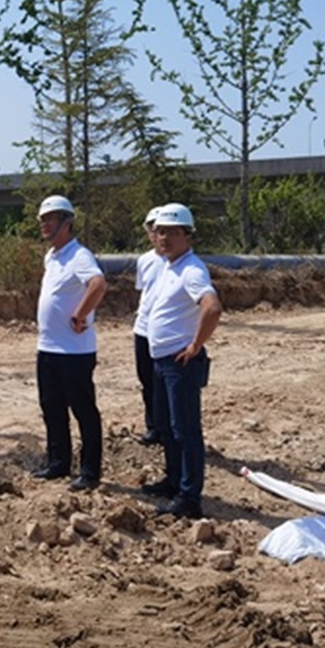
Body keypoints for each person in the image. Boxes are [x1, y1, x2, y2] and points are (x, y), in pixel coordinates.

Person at [140, 202, 223, 519]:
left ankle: (189, 497)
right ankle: (174, 481)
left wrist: (195, 346)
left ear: (187, 235)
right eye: (160, 231)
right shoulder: (168, 266)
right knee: (167, 426)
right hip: (162, 360)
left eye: (172, 232)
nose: (164, 238)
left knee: (186, 429)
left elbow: (211, 307)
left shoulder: (191, 270)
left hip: (180, 363)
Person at [30, 195, 108, 492]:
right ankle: (58, 462)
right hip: (48, 347)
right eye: (42, 220)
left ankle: (90, 471)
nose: (45, 225)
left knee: (83, 410)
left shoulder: (79, 256)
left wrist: (80, 313)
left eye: (50, 219)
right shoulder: (51, 256)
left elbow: (98, 284)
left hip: (75, 351)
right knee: (51, 407)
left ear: (67, 222)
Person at [132, 206, 165, 446]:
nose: (155, 233)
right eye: (151, 228)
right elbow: (143, 291)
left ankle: (169, 428)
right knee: (147, 381)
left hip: (165, 333)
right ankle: (153, 426)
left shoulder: (178, 262)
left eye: (159, 228)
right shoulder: (144, 261)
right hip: (143, 329)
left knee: (166, 382)